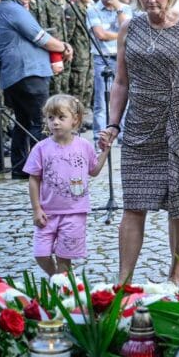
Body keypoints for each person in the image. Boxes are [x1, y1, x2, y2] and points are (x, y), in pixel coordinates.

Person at [98, 0, 179, 284]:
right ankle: (124, 280)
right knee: (134, 203)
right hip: (140, 124)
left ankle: (177, 272)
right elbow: (121, 82)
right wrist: (112, 124)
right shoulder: (129, 28)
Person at [0, 0, 72, 179]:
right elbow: (40, 38)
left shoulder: (13, 8)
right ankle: (44, 169)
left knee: (24, 122)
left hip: (23, 73)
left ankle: (20, 169)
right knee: (41, 121)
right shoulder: (13, 9)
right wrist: (64, 46)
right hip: (27, 73)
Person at [25, 94, 110, 275]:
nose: (55, 122)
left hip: (74, 213)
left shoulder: (84, 146)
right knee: (41, 254)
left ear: (75, 120)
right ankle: (55, 277)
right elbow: (34, 179)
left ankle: (63, 288)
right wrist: (36, 208)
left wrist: (105, 151)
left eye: (61, 117)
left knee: (64, 258)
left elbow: (93, 171)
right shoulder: (41, 148)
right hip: (47, 213)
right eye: (51, 118)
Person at [87, 0, 132, 136]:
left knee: (125, 96)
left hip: (122, 57)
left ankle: (123, 135)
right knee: (101, 99)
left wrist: (119, 9)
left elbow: (127, 31)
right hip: (103, 58)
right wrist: (120, 34)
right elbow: (100, 34)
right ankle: (100, 134)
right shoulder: (93, 10)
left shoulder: (125, 8)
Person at [63, 0, 95, 119]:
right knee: (77, 89)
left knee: (87, 88)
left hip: (87, 55)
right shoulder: (72, 9)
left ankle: (82, 116)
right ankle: (74, 118)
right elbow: (68, 35)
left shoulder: (88, 9)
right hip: (78, 57)